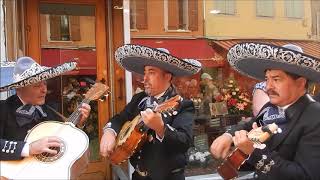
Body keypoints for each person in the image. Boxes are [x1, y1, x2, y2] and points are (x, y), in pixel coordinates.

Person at [210, 43, 320, 180]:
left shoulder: (315, 117)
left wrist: (254, 152)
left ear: (300, 83)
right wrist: (228, 136)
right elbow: (250, 125)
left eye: (276, 79)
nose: (268, 86)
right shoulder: (270, 107)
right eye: (267, 79)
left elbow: (305, 176)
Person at [100, 44, 201, 180]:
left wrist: (161, 128)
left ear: (167, 76)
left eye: (151, 72)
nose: (145, 78)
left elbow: (184, 142)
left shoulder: (183, 105)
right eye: (145, 72)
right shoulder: (139, 99)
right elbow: (120, 118)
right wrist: (109, 132)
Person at [0, 56, 91, 160]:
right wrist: (28, 148)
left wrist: (80, 124)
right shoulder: (3, 108)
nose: (44, 90)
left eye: (44, 83)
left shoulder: (49, 110)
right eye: (37, 85)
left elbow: (67, 144)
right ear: (19, 89)